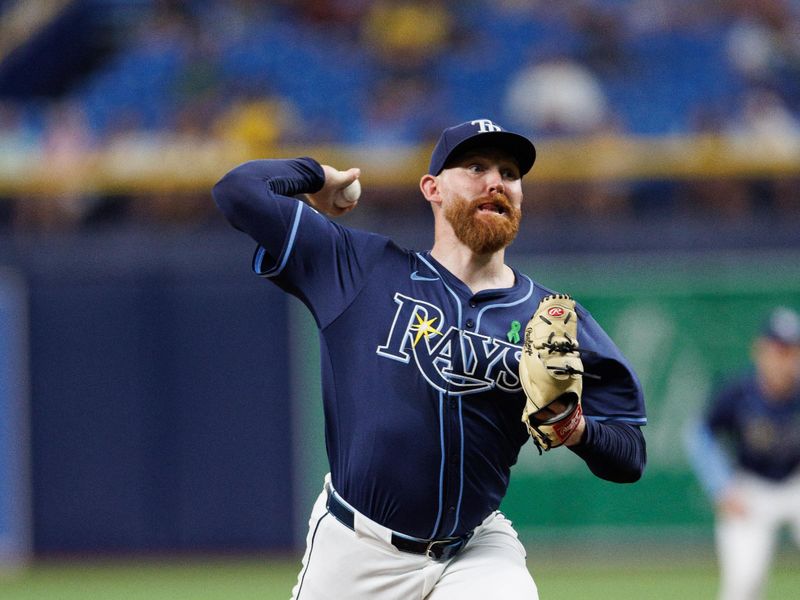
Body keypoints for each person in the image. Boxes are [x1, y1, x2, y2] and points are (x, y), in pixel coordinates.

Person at [212, 118, 647, 599]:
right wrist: (317, 176)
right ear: (432, 188)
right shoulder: (362, 268)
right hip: (357, 548)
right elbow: (238, 191)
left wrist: (576, 430)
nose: (495, 182)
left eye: (509, 173)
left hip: (475, 551)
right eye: (475, 167)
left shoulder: (552, 318)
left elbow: (629, 454)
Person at [685, 306, 800, 600]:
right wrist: (721, 487)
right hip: (751, 487)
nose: (784, 359)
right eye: (778, 350)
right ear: (760, 350)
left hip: (795, 485)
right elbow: (700, 435)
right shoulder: (738, 392)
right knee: (743, 584)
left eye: (791, 351)